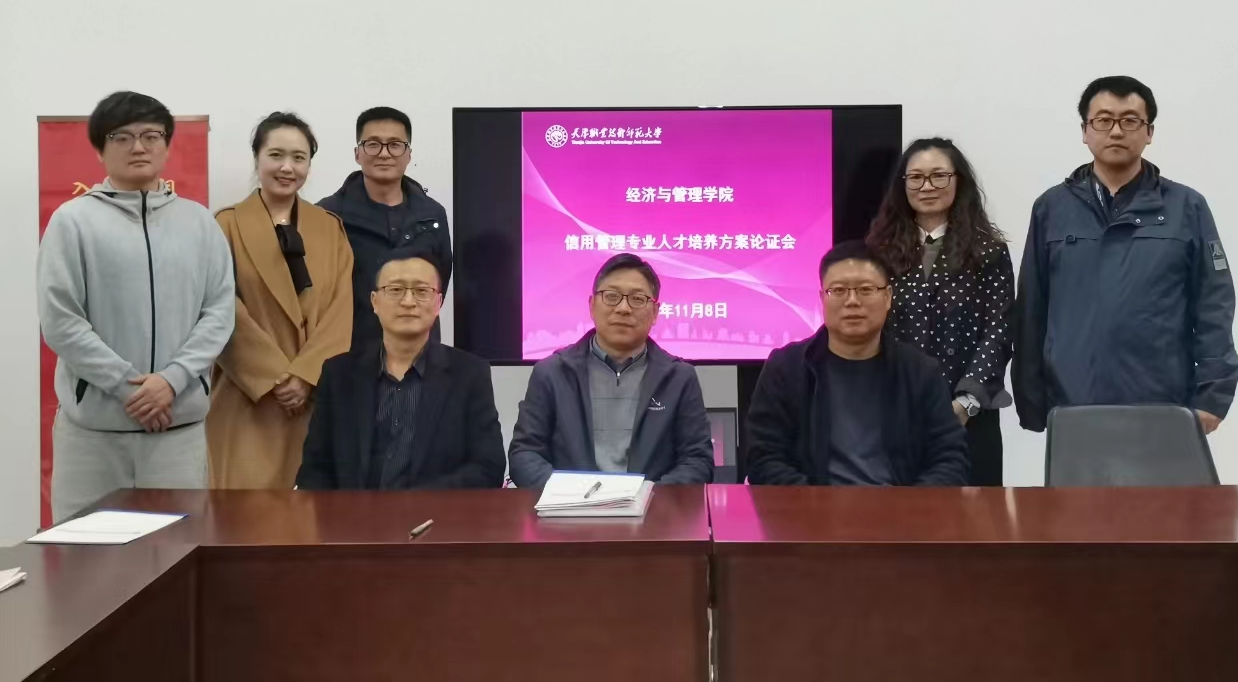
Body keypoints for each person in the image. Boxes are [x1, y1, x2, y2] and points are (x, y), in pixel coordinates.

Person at [37, 91, 235, 521]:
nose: (139, 146)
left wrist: (171, 382)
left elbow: (219, 314)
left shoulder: (200, 223)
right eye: (122, 137)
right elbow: (61, 321)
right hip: (93, 439)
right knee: (87, 557)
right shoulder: (72, 222)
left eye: (151, 135)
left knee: (176, 553)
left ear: (167, 145)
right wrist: (129, 388)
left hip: (177, 433)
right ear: (99, 149)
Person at [1013, 76, 1238, 434]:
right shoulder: (1051, 208)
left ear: (1149, 132)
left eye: (1130, 120)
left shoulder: (1186, 207)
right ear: (1085, 131)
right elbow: (1031, 309)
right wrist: (1030, 401)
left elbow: (1214, 305)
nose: (1116, 131)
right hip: (1072, 403)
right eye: (1103, 120)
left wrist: (1213, 396)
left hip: (1163, 404)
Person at [205, 113, 354, 489]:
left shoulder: (330, 227)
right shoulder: (225, 225)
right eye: (276, 155)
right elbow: (220, 310)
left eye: (299, 158)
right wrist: (275, 378)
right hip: (248, 397)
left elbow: (341, 312)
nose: (287, 167)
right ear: (257, 158)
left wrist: (306, 375)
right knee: (245, 514)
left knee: (310, 513)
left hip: (313, 398)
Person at [746, 240, 969, 486]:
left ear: (887, 297)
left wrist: (908, 505)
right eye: (838, 290)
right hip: (813, 506)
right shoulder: (786, 369)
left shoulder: (920, 372)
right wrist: (817, 504)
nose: (852, 301)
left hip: (901, 507)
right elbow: (764, 458)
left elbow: (949, 459)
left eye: (865, 289)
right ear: (822, 298)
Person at [866, 137, 1014, 486]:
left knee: (975, 517)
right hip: (893, 417)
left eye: (938, 176)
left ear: (958, 181)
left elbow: (999, 330)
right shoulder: (877, 252)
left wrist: (966, 402)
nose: (927, 186)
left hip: (970, 417)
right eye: (916, 177)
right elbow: (868, 329)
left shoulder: (989, 251)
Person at [296, 252, 503, 489]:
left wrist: (415, 503)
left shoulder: (469, 374)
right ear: (374, 302)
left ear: (438, 303)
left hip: (435, 511)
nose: (408, 301)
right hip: (353, 511)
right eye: (395, 290)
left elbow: (488, 468)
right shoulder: (338, 374)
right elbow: (315, 469)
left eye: (421, 291)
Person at [508, 254, 714, 488]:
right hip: (568, 508)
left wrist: (647, 496)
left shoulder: (679, 378)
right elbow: (524, 454)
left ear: (655, 312)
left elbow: (697, 461)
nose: (623, 308)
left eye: (637, 299)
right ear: (592, 306)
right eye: (612, 296)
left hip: (653, 509)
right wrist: (572, 494)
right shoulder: (551, 373)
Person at [318, 107, 452, 349]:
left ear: (408, 154)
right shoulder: (328, 215)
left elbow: (439, 283)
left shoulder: (432, 213)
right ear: (357, 153)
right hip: (352, 352)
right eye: (373, 144)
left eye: (395, 145)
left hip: (421, 353)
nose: (384, 153)